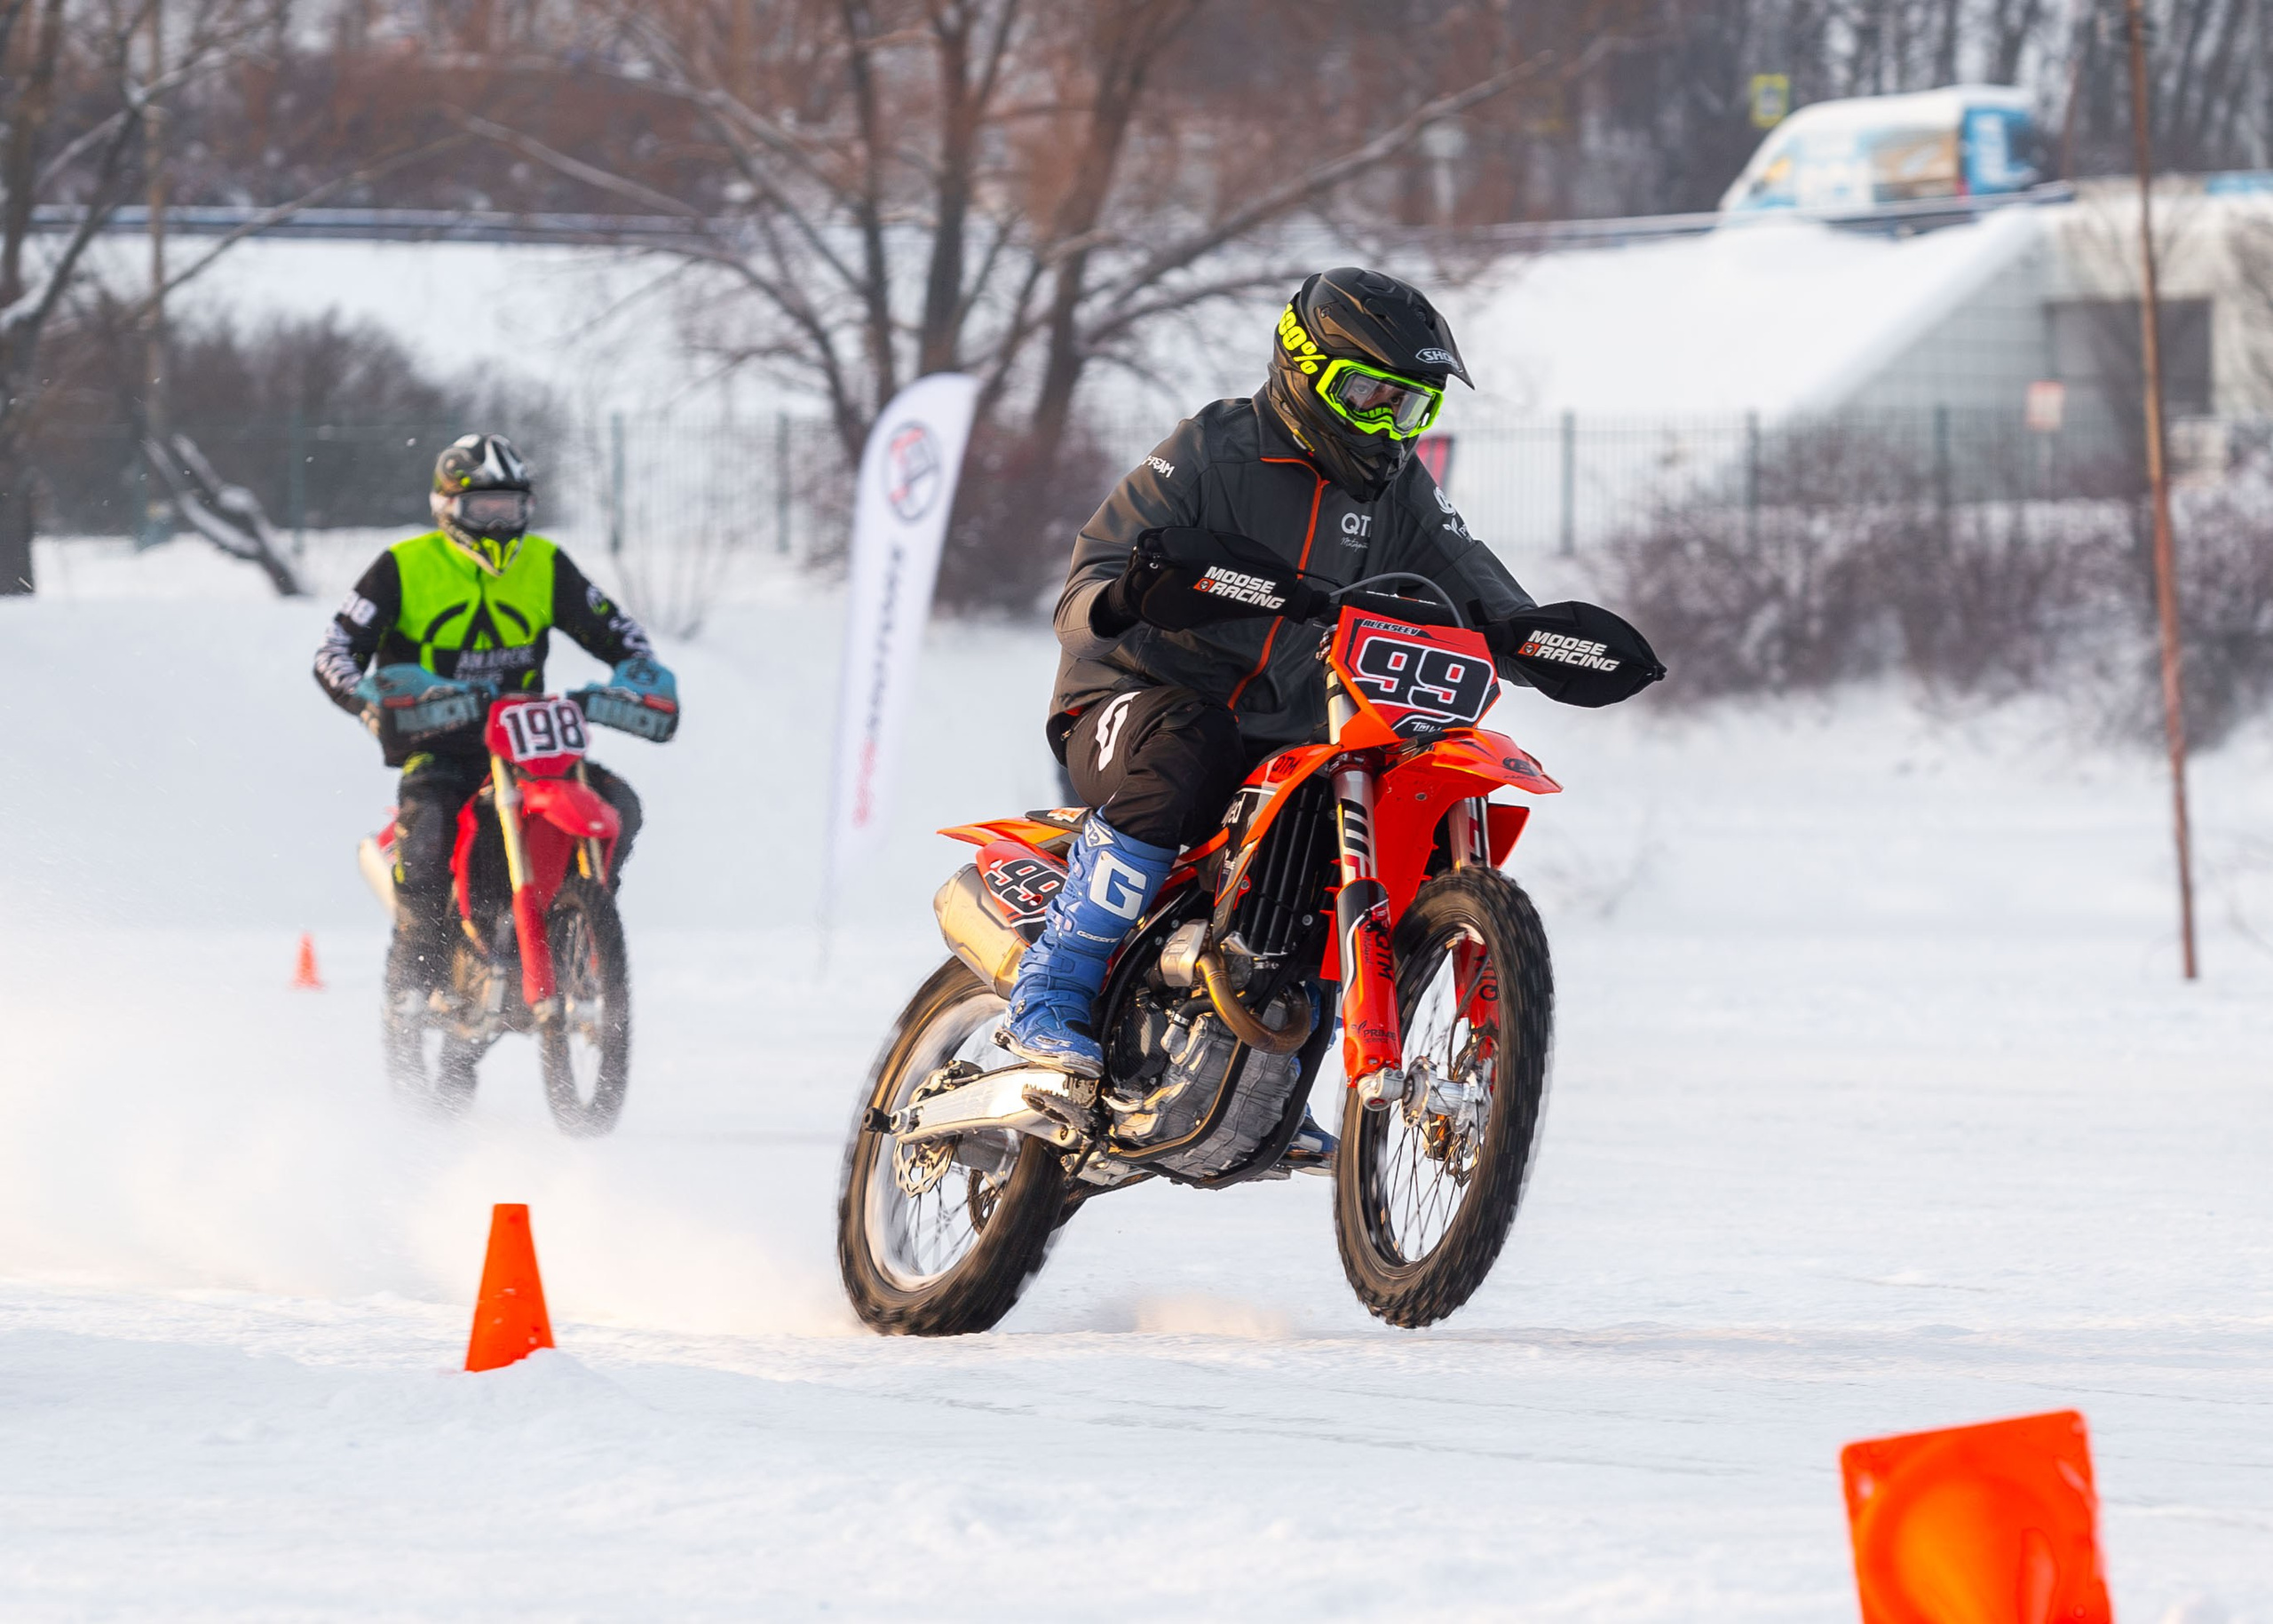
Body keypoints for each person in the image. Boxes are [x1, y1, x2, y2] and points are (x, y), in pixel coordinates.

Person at [1004, 267, 1555, 1102]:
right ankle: (1055, 984)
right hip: (1129, 697)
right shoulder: (1210, 450)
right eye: (1371, 393)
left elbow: (1485, 594)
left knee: (1342, 825)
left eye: (1411, 406)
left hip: (1288, 737)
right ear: (1301, 367)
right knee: (1194, 743)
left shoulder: (1402, 491)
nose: (1389, 426)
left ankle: (1273, 1087)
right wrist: (1123, 596)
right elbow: (1084, 589)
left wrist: (1544, 642)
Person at [313, 432, 677, 1002]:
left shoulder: (545, 563)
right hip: (441, 742)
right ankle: (419, 976)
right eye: (484, 507)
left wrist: (637, 675)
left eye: (510, 507)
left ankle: (580, 931)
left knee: (621, 805)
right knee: (428, 831)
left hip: (533, 744)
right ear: (448, 507)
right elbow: (335, 652)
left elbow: (619, 633)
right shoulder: (403, 567)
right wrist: (365, 702)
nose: (499, 521)